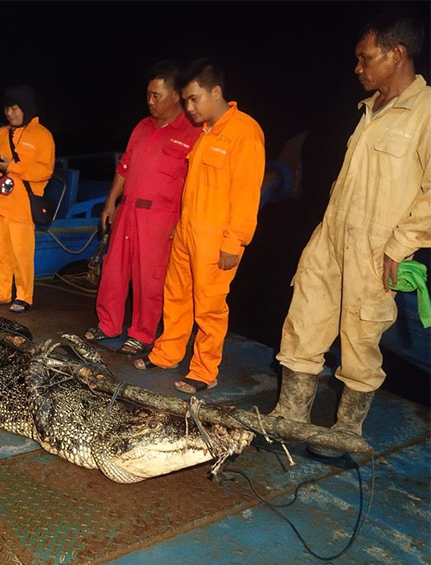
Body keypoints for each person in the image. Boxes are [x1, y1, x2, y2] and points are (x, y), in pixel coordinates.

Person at [269, 11, 430, 457]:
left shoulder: (426, 114)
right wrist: (322, 234)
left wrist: (399, 246)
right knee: (303, 319)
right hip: (332, 238)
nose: (358, 67)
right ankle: (289, 414)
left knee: (361, 337)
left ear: (396, 54)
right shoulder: (368, 111)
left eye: (366, 58)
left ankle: (345, 430)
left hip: (377, 249)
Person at [133, 58, 266, 394]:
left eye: (194, 99)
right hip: (187, 232)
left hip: (216, 239)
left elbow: (246, 194)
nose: (188, 108)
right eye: (186, 100)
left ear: (216, 92)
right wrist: (180, 225)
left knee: (209, 307)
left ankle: (205, 371)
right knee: (175, 296)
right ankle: (166, 353)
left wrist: (234, 243)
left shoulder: (244, 133)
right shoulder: (205, 133)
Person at [84, 61, 201, 357]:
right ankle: (108, 324)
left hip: (161, 217)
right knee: (113, 271)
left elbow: (195, 183)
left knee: (150, 277)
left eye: (156, 96)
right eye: (148, 95)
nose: (150, 102)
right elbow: (124, 167)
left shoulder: (192, 133)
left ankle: (142, 333)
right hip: (127, 209)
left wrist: (183, 219)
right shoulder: (142, 127)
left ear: (176, 96)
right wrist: (111, 203)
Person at [0, 85, 55, 314]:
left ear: (26, 108)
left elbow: (45, 171)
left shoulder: (42, 135)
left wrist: (11, 166)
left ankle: (24, 297)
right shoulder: (1, 132)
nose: (10, 114)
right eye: (7, 109)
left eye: (14, 108)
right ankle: (0, 293)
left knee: (21, 254)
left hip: (22, 206)